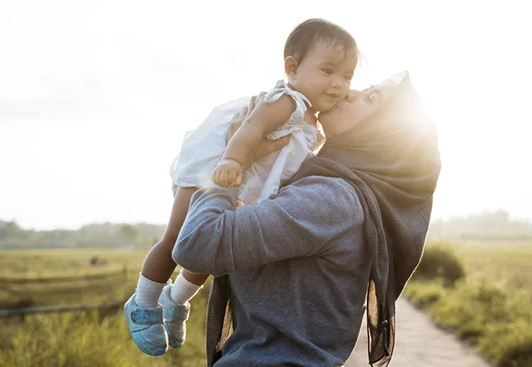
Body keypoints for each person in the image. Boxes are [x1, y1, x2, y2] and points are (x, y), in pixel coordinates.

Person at [172, 71, 442, 367]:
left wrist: (230, 163)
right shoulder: (332, 190)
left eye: (370, 98)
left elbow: (197, 244)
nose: (349, 92)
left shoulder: (332, 198)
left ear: (383, 133)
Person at [124, 18, 359, 356]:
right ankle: (142, 302)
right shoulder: (287, 101)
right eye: (328, 70)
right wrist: (232, 161)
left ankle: (175, 301)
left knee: (211, 251)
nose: (338, 84)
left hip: (242, 183)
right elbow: (250, 126)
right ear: (292, 68)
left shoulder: (314, 122)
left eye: (347, 76)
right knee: (179, 235)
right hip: (215, 166)